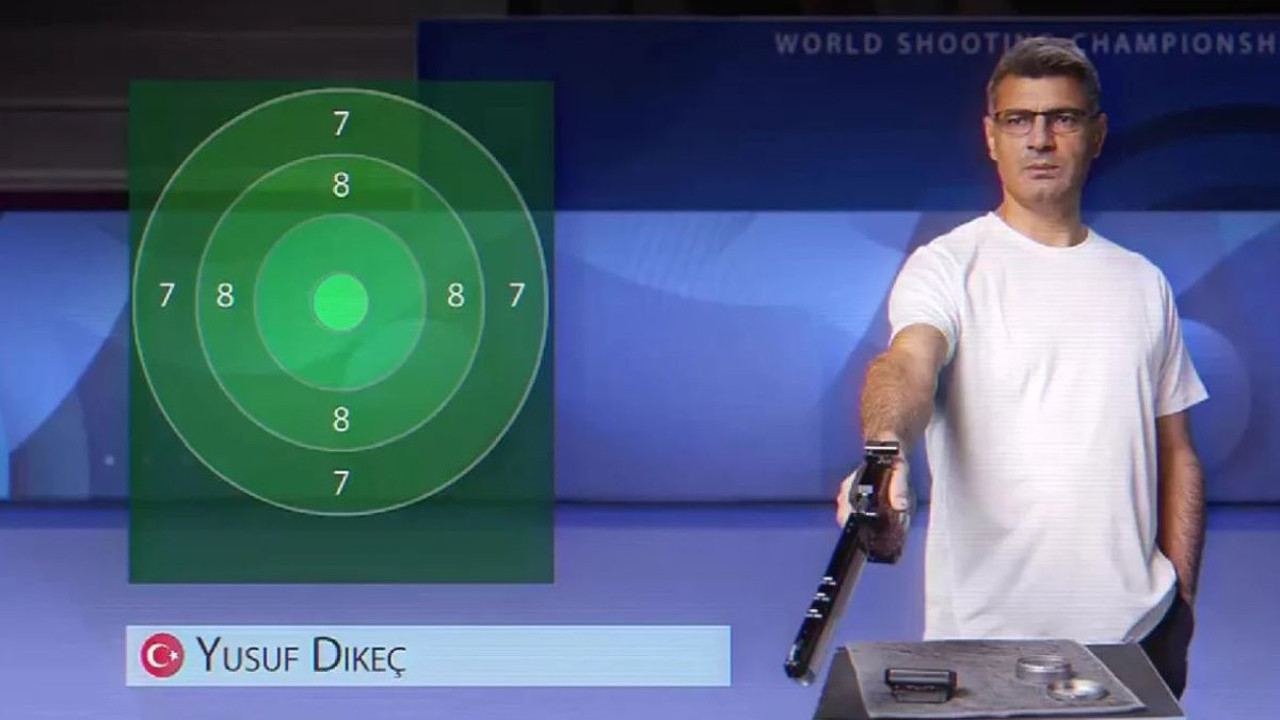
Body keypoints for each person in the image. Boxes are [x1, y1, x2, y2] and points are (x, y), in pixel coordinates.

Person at [835, 36, 1208, 700]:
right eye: (1018, 120)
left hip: (1133, 640)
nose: (1040, 139)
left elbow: (1177, 451)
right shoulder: (947, 267)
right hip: (982, 650)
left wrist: (1179, 604)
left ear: (1096, 135)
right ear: (991, 136)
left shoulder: (1143, 283)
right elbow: (908, 364)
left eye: (1062, 118)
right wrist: (885, 452)